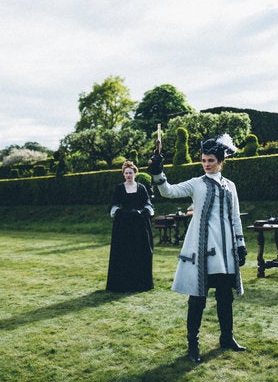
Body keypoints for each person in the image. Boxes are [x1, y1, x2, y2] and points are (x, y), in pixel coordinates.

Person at [148, 134, 247, 363]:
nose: (206, 164)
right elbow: (168, 191)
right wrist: (157, 171)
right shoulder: (196, 184)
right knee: (197, 299)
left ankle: (227, 337)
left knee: (225, 297)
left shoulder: (230, 186)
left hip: (225, 251)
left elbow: (235, 217)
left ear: (221, 161)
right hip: (202, 250)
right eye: (203, 160)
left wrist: (240, 244)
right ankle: (193, 345)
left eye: (211, 160)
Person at [106, 160, 155, 293]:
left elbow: (148, 203)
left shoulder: (141, 188)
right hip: (124, 225)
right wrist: (123, 213)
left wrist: (142, 212)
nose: (128, 175)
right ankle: (123, 284)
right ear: (123, 174)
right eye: (126, 173)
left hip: (139, 224)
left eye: (130, 173)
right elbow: (114, 205)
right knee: (124, 253)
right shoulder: (119, 188)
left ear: (135, 173)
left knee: (140, 251)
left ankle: (141, 283)